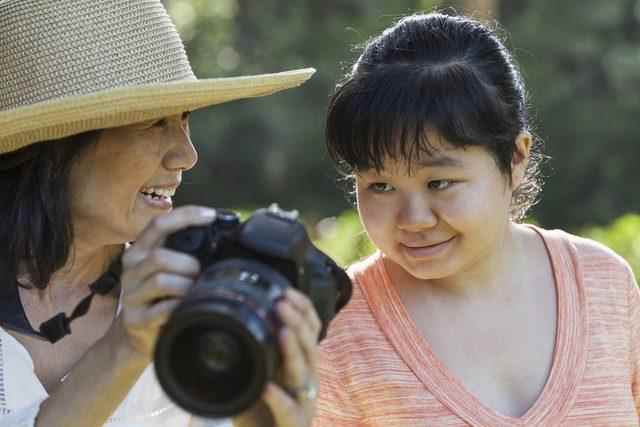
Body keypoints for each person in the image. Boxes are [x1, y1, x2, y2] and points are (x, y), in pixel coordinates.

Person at [0, 1, 320, 426]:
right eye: (154, 123)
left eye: (185, 120)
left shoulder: (192, 305)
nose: (187, 155)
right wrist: (125, 347)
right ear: (54, 150)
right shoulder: (147, 317)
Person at [312, 12, 640, 426]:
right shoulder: (337, 327)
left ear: (516, 157)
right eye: (380, 186)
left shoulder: (604, 284)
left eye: (440, 183)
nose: (413, 219)